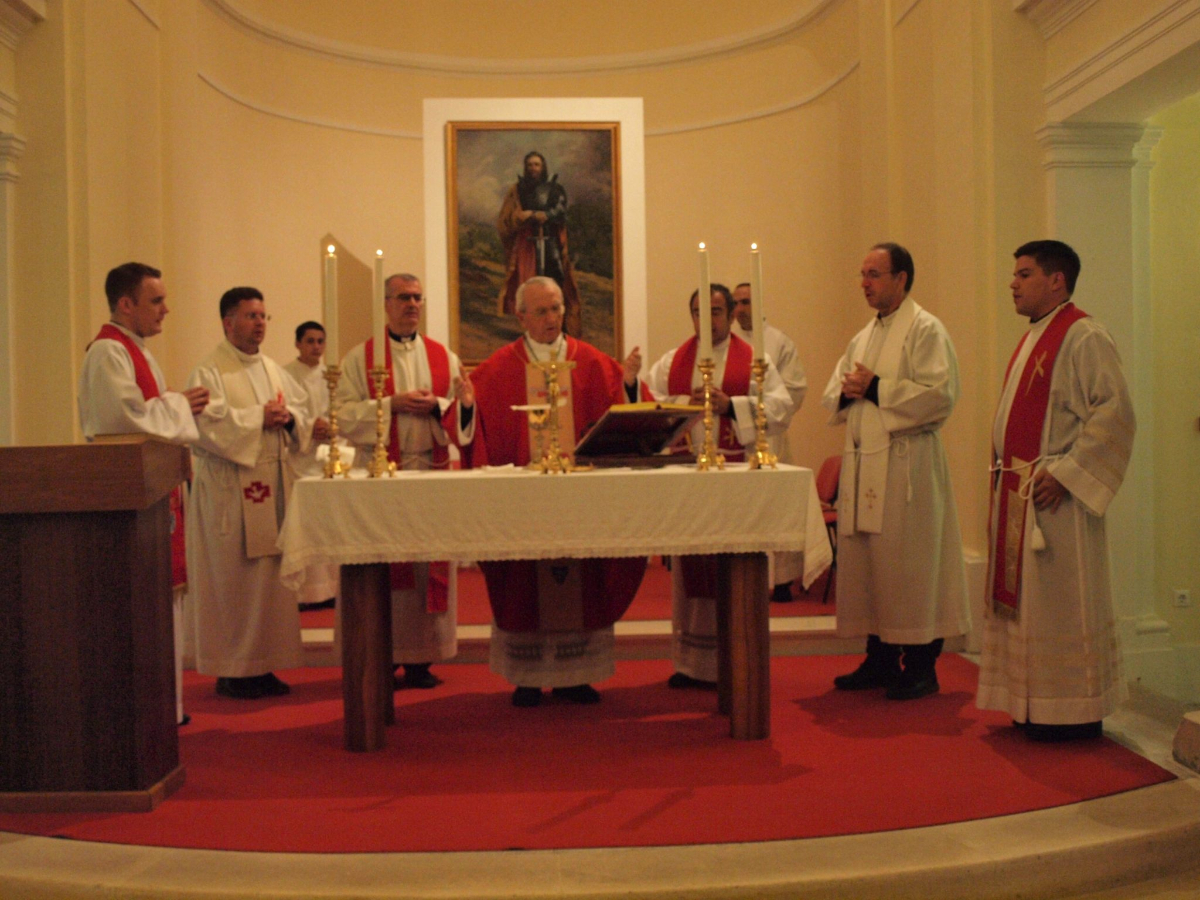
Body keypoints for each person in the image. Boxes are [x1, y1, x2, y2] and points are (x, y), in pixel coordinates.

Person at [976, 240, 1135, 741]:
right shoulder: (1034, 337)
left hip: (1055, 502)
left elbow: (1115, 412)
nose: (1013, 283)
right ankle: (1031, 704)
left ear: (1056, 280)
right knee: (1030, 610)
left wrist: (1066, 473)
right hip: (1019, 494)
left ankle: (1071, 710)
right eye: (1015, 274)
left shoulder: (1083, 335)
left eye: (1024, 274)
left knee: (1059, 607)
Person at [470, 276, 646, 707]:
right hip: (524, 501)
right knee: (522, 580)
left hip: (579, 498)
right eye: (542, 311)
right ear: (521, 317)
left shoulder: (592, 362)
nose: (552, 318)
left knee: (583, 577)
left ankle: (576, 675)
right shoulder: (498, 368)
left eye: (557, 309)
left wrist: (628, 384)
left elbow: (624, 414)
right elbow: (475, 421)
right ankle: (527, 676)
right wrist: (465, 405)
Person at [821, 243, 969, 700]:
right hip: (867, 466)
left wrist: (877, 388)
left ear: (901, 279)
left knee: (911, 567)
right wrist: (849, 391)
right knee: (872, 566)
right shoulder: (864, 336)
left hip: (909, 471)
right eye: (862, 274)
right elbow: (833, 395)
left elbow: (940, 395)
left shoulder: (926, 329)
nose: (864, 283)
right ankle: (880, 658)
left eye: (874, 274)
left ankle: (921, 666)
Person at [629, 284, 795, 688]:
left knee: (732, 567)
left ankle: (736, 657)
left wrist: (731, 406)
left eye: (716, 311)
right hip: (690, 477)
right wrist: (679, 401)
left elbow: (781, 408)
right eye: (698, 312)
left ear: (731, 314)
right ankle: (692, 664)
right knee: (691, 572)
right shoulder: (674, 361)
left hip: (735, 479)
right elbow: (649, 403)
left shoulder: (754, 359)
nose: (707, 320)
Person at [77, 262, 210, 726]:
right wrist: (179, 404)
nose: (166, 309)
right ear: (125, 304)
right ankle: (151, 710)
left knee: (164, 604)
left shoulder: (137, 350)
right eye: (156, 300)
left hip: (155, 497)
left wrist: (175, 407)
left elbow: (152, 412)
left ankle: (168, 706)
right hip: (128, 502)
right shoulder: (108, 353)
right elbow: (123, 421)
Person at [336, 273, 476, 690]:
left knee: (426, 564)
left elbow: (463, 413)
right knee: (387, 564)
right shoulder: (359, 358)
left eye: (417, 298)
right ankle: (384, 655)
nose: (412, 304)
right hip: (383, 478)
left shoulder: (443, 356)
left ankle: (422, 658)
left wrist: (440, 406)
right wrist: (390, 404)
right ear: (386, 304)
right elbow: (342, 415)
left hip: (430, 472)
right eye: (403, 298)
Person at [186, 287, 313, 700]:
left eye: (263, 316)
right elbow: (204, 425)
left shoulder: (273, 369)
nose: (260, 323)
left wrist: (289, 419)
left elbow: (301, 412)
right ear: (228, 322)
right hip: (230, 492)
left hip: (272, 487)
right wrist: (259, 416)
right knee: (235, 583)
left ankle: (263, 664)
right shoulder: (209, 371)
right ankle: (233, 670)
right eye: (250, 316)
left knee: (270, 584)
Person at [731, 281, 810, 603]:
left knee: (775, 508)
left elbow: (795, 389)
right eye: (736, 303)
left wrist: (760, 407)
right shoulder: (726, 344)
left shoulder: (779, 342)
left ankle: (782, 580)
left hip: (771, 439)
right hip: (736, 440)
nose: (740, 309)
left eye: (746, 302)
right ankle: (741, 576)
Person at [283, 321, 338, 612]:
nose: (316, 347)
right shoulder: (285, 375)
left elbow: (342, 410)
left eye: (320, 341)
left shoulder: (333, 375)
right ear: (298, 343)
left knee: (330, 523)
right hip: (300, 458)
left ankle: (331, 588)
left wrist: (331, 427)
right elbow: (287, 414)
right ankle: (307, 592)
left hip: (327, 456)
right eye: (310, 341)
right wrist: (307, 427)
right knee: (305, 526)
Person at [497, 151, 582, 338]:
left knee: (556, 279)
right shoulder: (518, 190)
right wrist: (521, 216)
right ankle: (531, 328)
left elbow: (560, 208)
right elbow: (508, 217)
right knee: (528, 284)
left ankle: (559, 328)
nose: (533, 168)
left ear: (543, 167)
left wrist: (547, 215)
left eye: (536, 165)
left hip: (550, 239)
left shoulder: (555, 189)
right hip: (527, 243)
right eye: (530, 165)